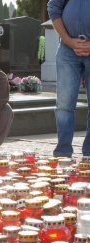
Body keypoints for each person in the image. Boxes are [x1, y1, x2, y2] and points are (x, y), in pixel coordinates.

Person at [47, 0, 90, 157]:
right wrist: (68, 40)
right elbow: (53, 7)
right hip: (67, 49)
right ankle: (63, 152)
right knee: (64, 104)